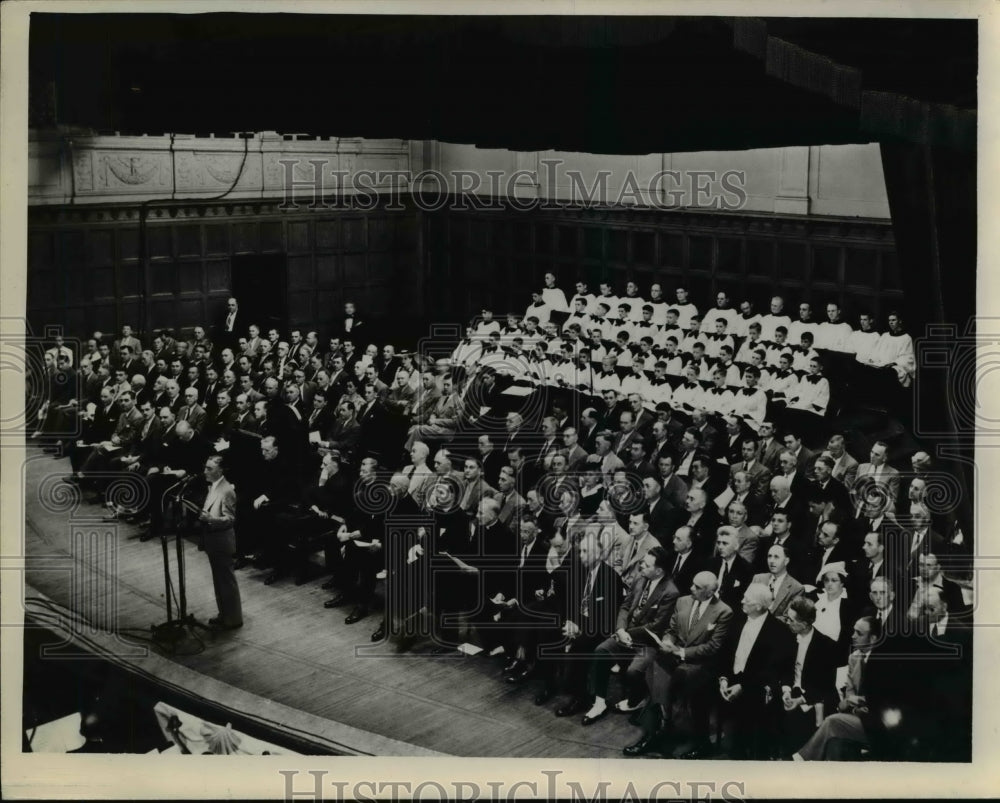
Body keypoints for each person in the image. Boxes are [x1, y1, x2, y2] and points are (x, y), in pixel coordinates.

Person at [625, 571, 733, 757]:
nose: (691, 588)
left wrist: (681, 652)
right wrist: (668, 641)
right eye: (692, 584)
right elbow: (671, 629)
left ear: (709, 592)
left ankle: (658, 731)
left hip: (700, 664)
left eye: (697, 587)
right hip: (674, 655)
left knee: (673, 678)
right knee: (655, 666)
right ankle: (660, 728)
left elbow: (713, 647)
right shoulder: (683, 601)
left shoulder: (723, 611)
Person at [717, 582, 796, 759]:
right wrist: (723, 679)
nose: (742, 601)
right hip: (730, 680)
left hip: (756, 686)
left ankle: (747, 754)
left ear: (759, 606)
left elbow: (770, 669)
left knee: (752, 710)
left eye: (747, 600)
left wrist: (742, 686)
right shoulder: (737, 620)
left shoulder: (779, 631)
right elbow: (724, 653)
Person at [197, 455, 243, 630]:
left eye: (209, 469)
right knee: (219, 581)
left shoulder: (227, 490)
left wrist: (211, 519)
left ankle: (234, 619)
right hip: (213, 540)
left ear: (220, 470)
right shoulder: (214, 487)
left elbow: (230, 519)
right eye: (206, 468)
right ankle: (224, 614)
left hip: (222, 541)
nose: (205, 472)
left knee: (226, 582)